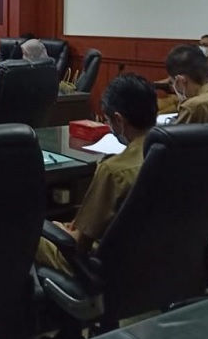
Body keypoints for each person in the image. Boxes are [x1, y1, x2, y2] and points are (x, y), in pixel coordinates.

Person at [35, 73, 157, 274]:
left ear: (118, 120)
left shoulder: (114, 170)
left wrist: (58, 229)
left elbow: (80, 244)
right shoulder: (173, 153)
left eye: (108, 120)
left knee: (24, 234)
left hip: (104, 264)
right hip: (157, 258)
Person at [157, 35, 208, 113]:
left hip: (196, 96)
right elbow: (172, 78)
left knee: (159, 113)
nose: (201, 47)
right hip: (180, 95)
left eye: (205, 45)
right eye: (200, 45)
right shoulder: (192, 62)